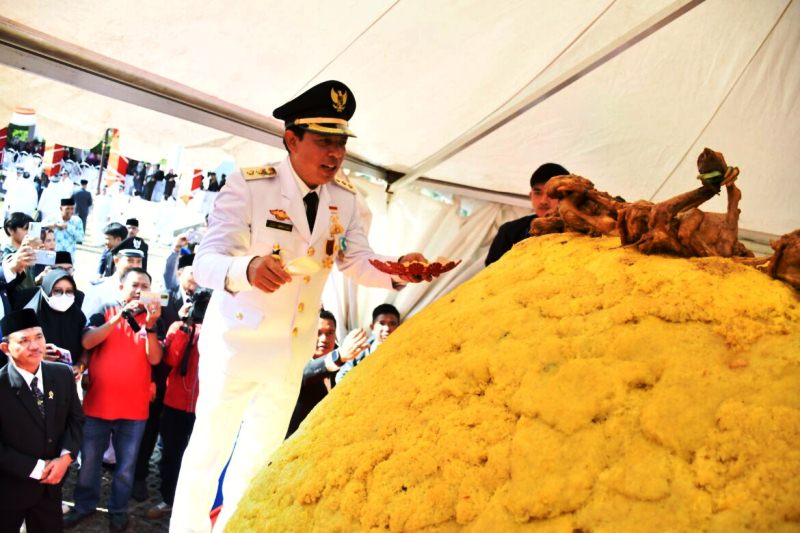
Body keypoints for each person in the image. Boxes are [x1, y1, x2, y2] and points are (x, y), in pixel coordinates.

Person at [170, 80, 428, 532]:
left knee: (257, 461)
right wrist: (246, 269)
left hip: (291, 353)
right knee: (207, 455)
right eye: (323, 141)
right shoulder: (251, 187)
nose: (335, 154)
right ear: (292, 139)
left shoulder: (346, 200)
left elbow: (357, 260)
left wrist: (399, 271)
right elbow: (206, 261)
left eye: (341, 143)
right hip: (238, 346)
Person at [65, 268, 163, 531]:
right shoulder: (104, 310)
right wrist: (119, 317)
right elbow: (87, 341)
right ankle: (84, 506)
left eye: (145, 285)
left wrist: (151, 326)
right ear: (121, 288)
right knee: (89, 464)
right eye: (134, 284)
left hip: (134, 409)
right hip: (98, 404)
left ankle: (118, 509)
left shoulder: (153, 319)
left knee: (126, 467)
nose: (139, 289)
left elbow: (155, 358)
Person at [0, 308, 84, 533]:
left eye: (39, 337)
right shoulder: (1, 385)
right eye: (24, 340)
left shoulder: (62, 374)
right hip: (9, 490)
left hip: (50, 489)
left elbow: (76, 421)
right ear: (6, 348)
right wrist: (40, 468)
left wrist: (65, 458)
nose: (35, 346)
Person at [146, 289, 210, 521]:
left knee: (200, 456)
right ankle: (168, 499)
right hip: (174, 403)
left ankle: (194, 504)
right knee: (171, 454)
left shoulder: (221, 332)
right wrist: (185, 325)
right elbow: (171, 359)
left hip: (205, 406)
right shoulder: (178, 327)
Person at [284, 309, 369, 438]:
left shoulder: (343, 367)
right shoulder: (295, 363)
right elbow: (306, 372)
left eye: (330, 333)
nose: (324, 339)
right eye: (318, 333)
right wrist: (339, 356)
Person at [484, 163, 569, 266]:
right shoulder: (509, 231)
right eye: (538, 193)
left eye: (552, 194)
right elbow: (490, 271)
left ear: (567, 197)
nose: (543, 201)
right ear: (530, 196)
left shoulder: (580, 231)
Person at [15, 268, 86, 373]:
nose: (64, 296)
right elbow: (13, 350)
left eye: (69, 291)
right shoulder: (29, 317)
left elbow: (87, 348)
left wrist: (80, 367)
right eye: (57, 291)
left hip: (65, 382)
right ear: (46, 291)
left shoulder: (78, 316)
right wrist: (37, 357)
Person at [335, 303, 401, 384]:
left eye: (393, 323)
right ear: (372, 327)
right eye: (382, 323)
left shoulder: (404, 351)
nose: (387, 328)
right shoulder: (359, 351)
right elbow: (341, 379)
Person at [82, 242, 144, 317]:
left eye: (139, 261)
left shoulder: (144, 289)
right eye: (130, 260)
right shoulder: (98, 289)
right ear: (116, 260)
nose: (135, 265)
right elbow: (87, 323)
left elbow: (161, 298)